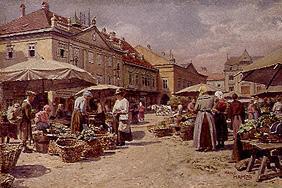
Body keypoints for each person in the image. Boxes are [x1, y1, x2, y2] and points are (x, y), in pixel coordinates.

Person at [193, 86, 217, 152]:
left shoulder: (199, 98)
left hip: (201, 116)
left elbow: (195, 109)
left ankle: (201, 145)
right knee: (210, 131)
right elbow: (213, 107)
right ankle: (210, 145)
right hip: (209, 115)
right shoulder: (212, 98)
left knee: (200, 131)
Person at [228, 93, 245, 162]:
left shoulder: (231, 104)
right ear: (237, 97)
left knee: (235, 128)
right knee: (240, 128)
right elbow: (243, 111)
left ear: (232, 98)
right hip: (240, 117)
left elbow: (230, 112)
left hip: (234, 117)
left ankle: (236, 138)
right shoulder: (240, 103)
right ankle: (240, 137)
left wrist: (230, 117)